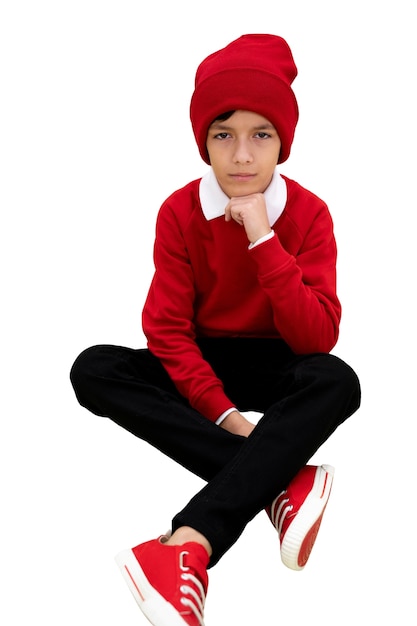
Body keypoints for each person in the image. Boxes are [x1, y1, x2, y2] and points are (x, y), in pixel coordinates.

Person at [70, 33, 361, 626]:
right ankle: (279, 479)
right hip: (201, 359)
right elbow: (167, 331)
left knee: (337, 379)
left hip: (278, 358)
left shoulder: (309, 214)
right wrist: (230, 419)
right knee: (95, 367)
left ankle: (187, 545)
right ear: (203, 143)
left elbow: (317, 337)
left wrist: (262, 238)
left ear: (284, 143)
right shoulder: (180, 212)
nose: (243, 156)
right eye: (223, 135)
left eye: (262, 135)